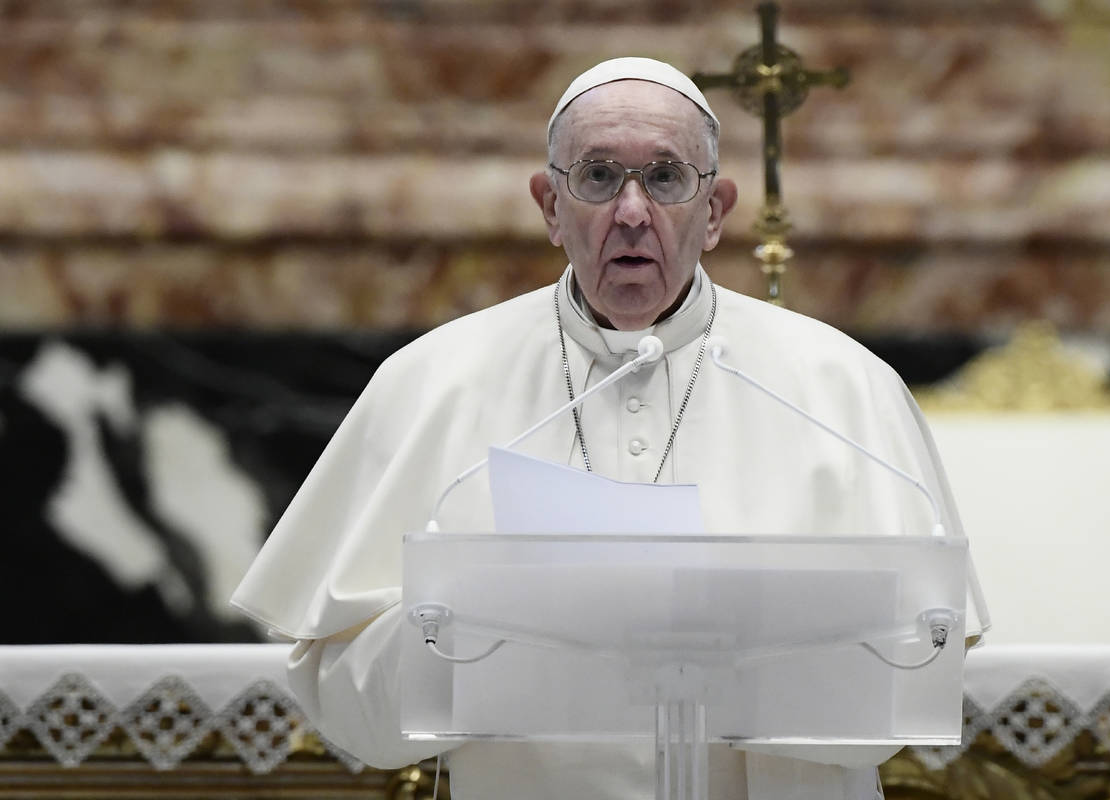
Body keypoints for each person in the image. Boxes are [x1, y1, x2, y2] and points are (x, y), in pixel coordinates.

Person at [232, 57, 989, 800]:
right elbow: (340, 699)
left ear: (717, 209)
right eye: (597, 176)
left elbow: (922, 674)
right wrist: (482, 631)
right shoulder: (433, 381)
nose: (632, 212)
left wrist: (731, 650)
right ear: (550, 208)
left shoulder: (841, 385)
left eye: (665, 178)